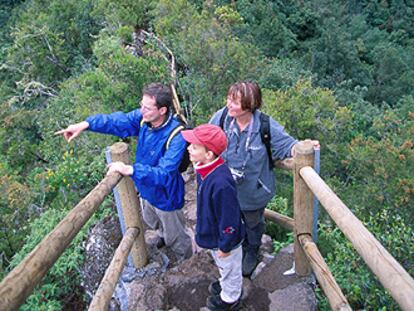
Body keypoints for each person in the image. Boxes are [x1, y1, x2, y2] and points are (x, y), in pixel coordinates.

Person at [55, 83, 193, 261]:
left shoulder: (177, 135)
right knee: (153, 221)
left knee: (176, 235)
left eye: (147, 107)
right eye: (141, 105)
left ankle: (187, 259)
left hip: (166, 195)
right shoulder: (145, 120)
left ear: (162, 110)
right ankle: (163, 236)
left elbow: (164, 174)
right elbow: (117, 121)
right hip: (146, 189)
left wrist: (130, 169)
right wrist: (85, 124)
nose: (141, 110)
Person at [210, 81, 318, 277]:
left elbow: (288, 146)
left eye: (235, 102)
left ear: (250, 104)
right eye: (229, 99)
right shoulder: (223, 117)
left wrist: (303, 147)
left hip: (253, 191)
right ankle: (235, 246)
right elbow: (208, 136)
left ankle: (252, 250)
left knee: (252, 223)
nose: (229, 104)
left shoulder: (265, 125)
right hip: (227, 189)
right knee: (229, 219)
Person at [181, 124, 244, 311]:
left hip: (225, 238)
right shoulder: (205, 167)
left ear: (209, 154)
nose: (188, 148)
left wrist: (225, 246)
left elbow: (229, 219)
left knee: (230, 267)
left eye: (194, 146)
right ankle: (226, 284)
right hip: (215, 232)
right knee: (223, 265)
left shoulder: (221, 183)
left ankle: (231, 298)